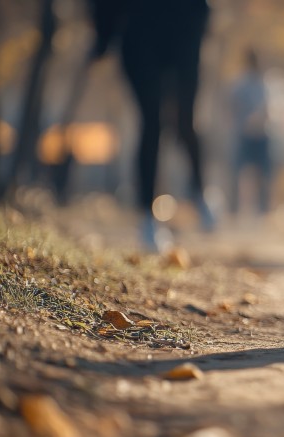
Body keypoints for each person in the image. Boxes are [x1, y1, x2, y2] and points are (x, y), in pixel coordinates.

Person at [89, 0, 215, 250]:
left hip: (183, 33)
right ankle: (148, 217)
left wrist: (201, 24)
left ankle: (201, 194)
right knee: (151, 122)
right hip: (140, 36)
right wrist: (103, 36)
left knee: (184, 121)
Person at [230, 49, 272, 217]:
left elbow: (269, 108)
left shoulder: (264, 83)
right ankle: (234, 208)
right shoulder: (242, 83)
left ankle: (263, 209)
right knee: (239, 170)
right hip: (245, 133)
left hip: (261, 133)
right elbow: (232, 106)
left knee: (264, 172)